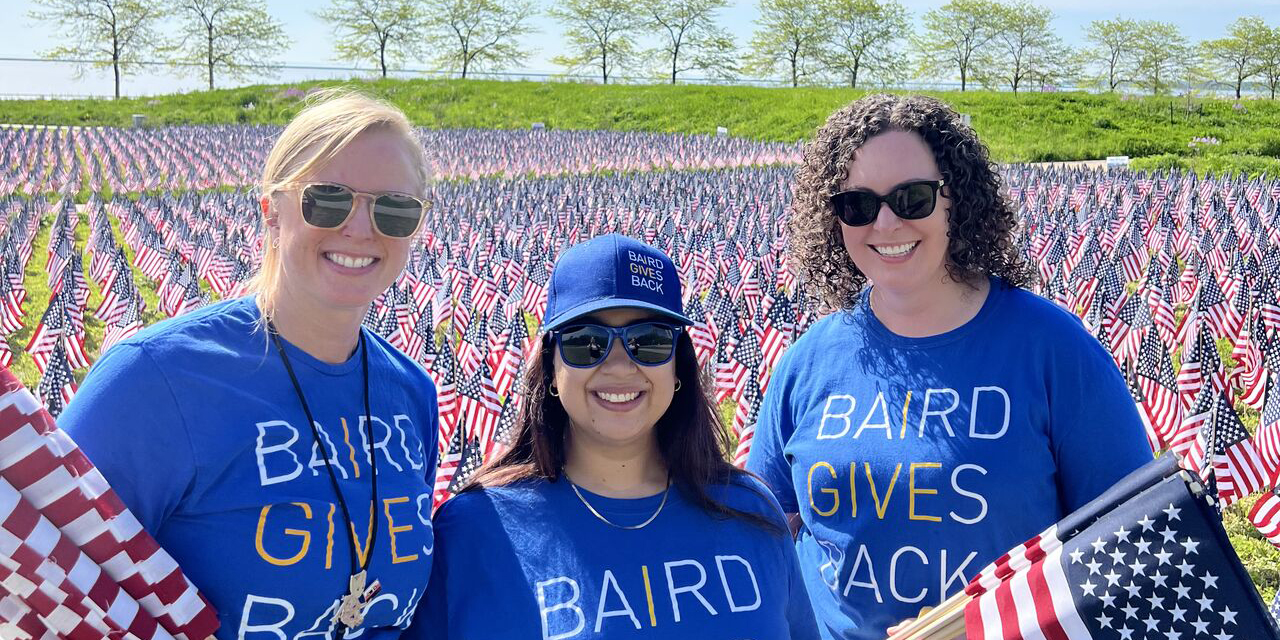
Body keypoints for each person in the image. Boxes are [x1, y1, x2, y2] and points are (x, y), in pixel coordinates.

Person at [745, 94, 1153, 639]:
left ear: (954, 199)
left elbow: (1130, 536)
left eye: (911, 199)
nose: (885, 223)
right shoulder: (806, 361)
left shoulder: (1054, 348)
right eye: (858, 206)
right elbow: (764, 534)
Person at [60, 90, 440, 638]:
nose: (361, 228)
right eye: (327, 200)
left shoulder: (409, 392)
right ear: (271, 208)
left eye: (394, 209)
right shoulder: (156, 381)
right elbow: (53, 589)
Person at [405, 233, 819, 640]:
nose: (620, 365)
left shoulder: (752, 511)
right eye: (587, 343)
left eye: (650, 341)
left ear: (678, 367)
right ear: (550, 368)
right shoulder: (471, 532)